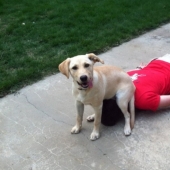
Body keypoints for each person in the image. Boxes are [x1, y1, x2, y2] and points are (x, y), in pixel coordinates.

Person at [101, 54, 170, 126]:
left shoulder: (143, 99)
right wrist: (140, 69)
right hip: (159, 60)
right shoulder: (120, 79)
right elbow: (138, 71)